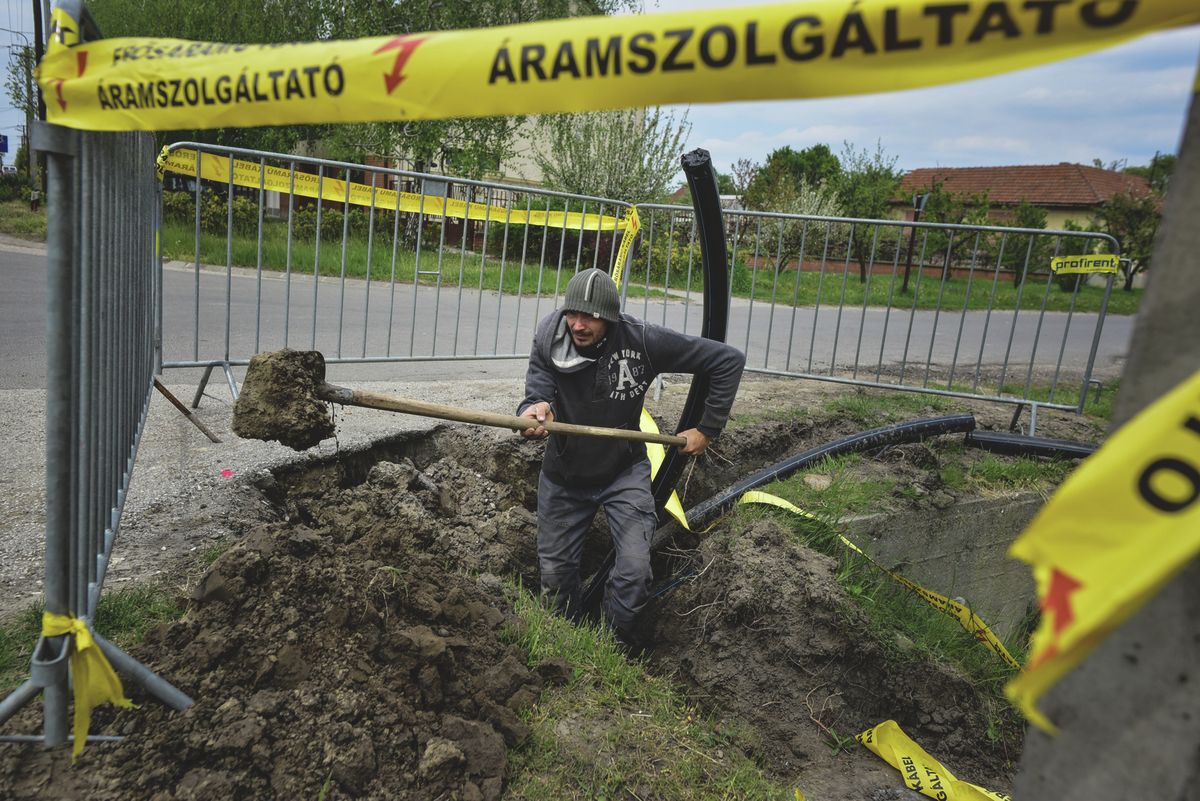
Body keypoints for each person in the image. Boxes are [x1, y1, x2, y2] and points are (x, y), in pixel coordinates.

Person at [517, 267, 745, 647]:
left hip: (624, 472)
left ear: (610, 317)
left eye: (590, 316)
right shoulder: (550, 336)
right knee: (556, 578)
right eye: (573, 313)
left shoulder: (642, 340)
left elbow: (727, 361)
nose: (578, 324)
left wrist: (707, 429)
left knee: (636, 571)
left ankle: (611, 648)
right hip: (564, 477)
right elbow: (537, 391)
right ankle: (560, 646)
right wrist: (537, 410)